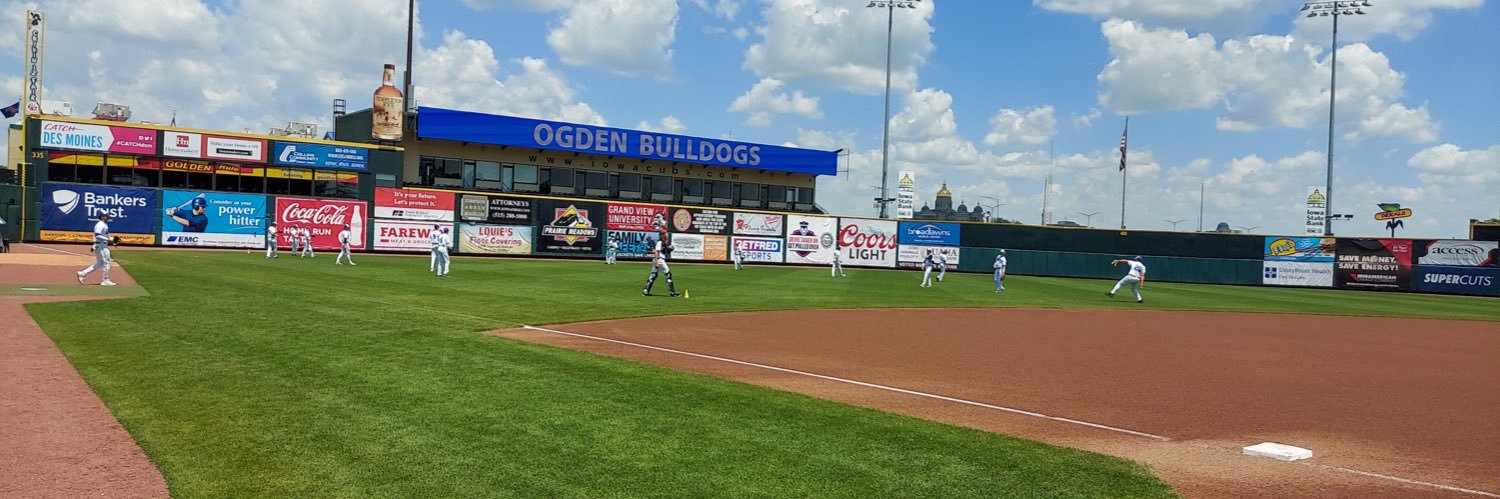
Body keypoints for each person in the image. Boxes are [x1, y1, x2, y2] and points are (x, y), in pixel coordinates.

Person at [75, 213, 118, 286]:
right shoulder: (100, 225)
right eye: (106, 216)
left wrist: (113, 240)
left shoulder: (104, 224)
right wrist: (108, 239)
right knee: (107, 262)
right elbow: (97, 235)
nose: (108, 217)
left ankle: (83, 273)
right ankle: (105, 280)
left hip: (101, 245)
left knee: (100, 263)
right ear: (102, 217)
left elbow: (106, 237)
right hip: (101, 246)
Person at [643, 228, 678, 297]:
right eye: (665, 234)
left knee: (653, 275)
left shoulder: (662, 242)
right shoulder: (659, 242)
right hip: (659, 260)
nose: (666, 235)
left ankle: (646, 290)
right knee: (668, 274)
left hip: (657, 260)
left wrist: (668, 248)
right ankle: (672, 292)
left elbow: (664, 249)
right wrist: (657, 262)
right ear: (661, 235)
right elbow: (656, 252)